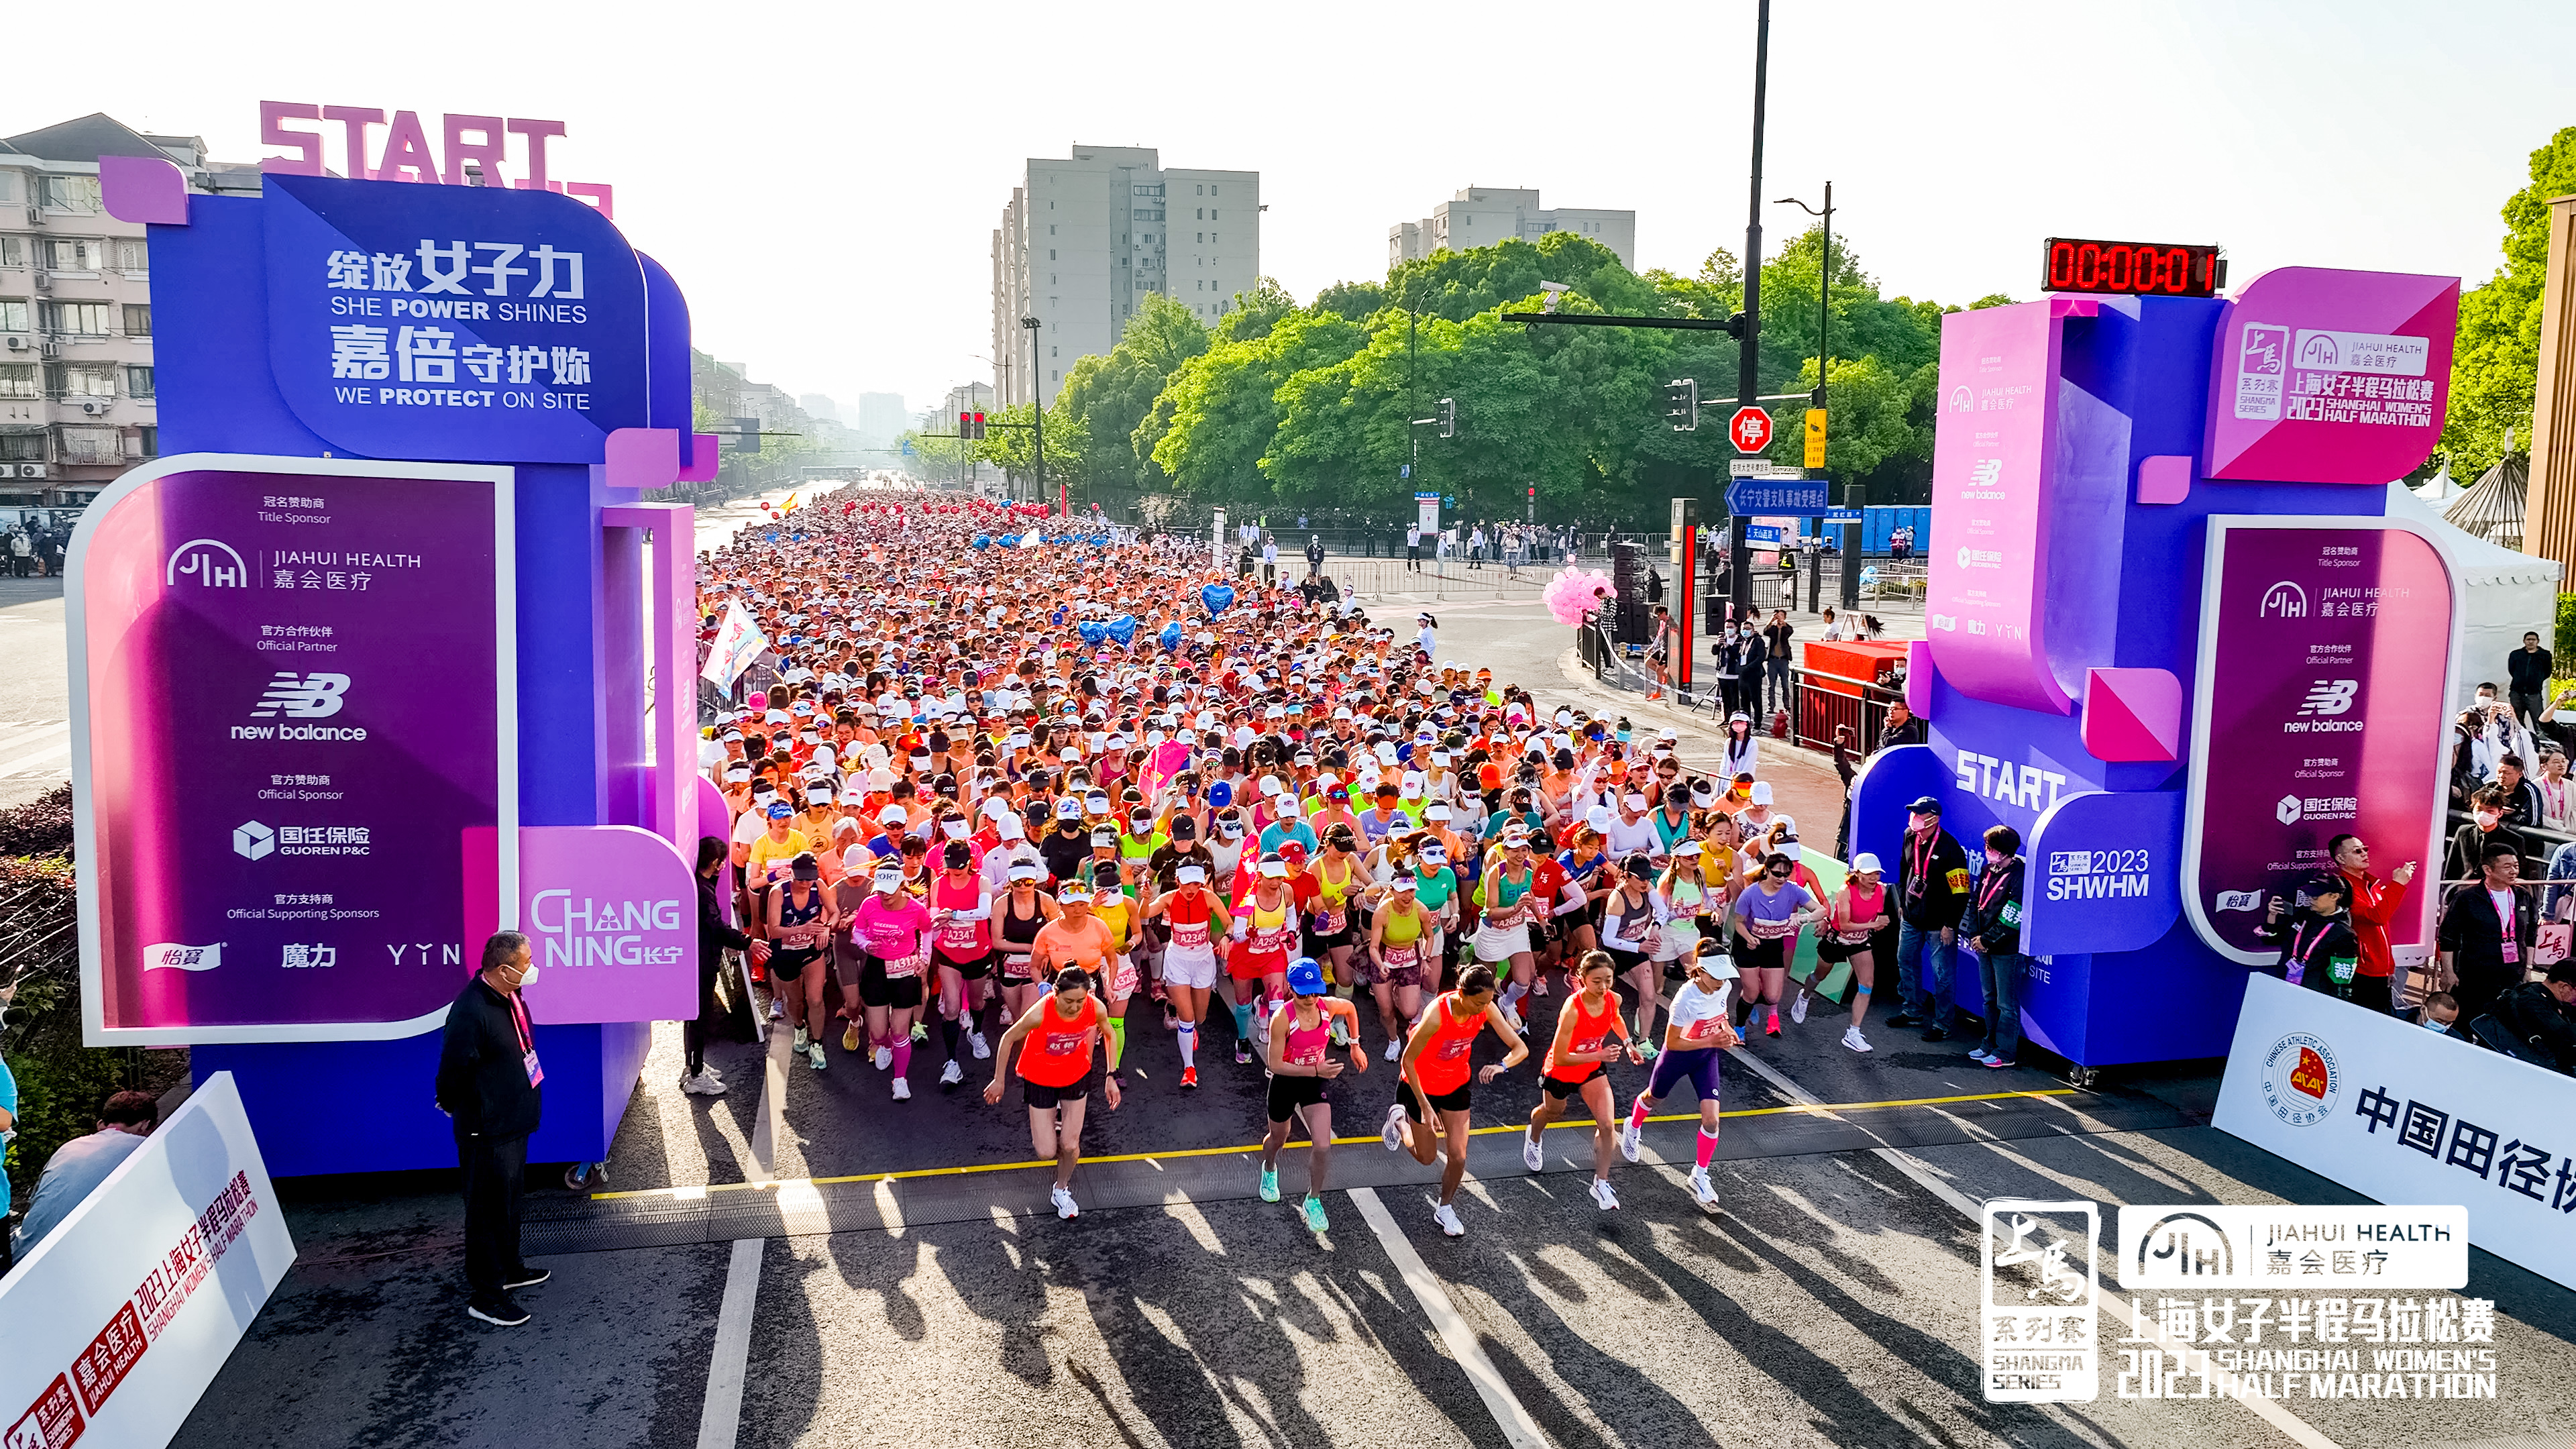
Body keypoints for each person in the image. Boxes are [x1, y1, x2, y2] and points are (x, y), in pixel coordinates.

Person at [435, 931, 549, 1327]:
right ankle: (486, 1294)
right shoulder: (471, 1010)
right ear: (504, 970)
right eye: (526, 963)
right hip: (487, 1130)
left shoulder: (508, 996)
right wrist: (451, 1103)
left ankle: (510, 1269)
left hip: (513, 1121)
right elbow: (454, 1067)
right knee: (485, 1212)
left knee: (509, 1202)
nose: (532, 969)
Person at [1381, 963, 1530, 1238]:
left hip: (1456, 1085)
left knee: (1459, 1156)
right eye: (1478, 1002)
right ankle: (1400, 1121)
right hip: (1420, 1087)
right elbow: (1408, 1060)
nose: (1482, 1009)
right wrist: (1425, 1107)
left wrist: (1502, 1065)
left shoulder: (1486, 1008)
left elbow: (1520, 1048)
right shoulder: (1438, 1016)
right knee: (1426, 1157)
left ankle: (1445, 1208)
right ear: (1461, 993)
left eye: (1487, 1002)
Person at [985, 965, 1122, 1220]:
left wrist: (1110, 1075)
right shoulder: (1041, 1013)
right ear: (1056, 993)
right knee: (1046, 1152)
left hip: (1075, 1074)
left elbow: (1110, 1033)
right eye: (1069, 1001)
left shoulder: (1095, 1008)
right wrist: (998, 1081)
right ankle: (1054, 1133)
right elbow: (1008, 1038)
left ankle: (1061, 1189)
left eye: (1080, 1001)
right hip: (1040, 1078)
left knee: (1070, 1145)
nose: (1075, 1007)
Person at [1619, 942, 1738, 1210]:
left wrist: (1726, 1028)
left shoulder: (1725, 986)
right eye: (1716, 976)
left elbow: (1721, 1014)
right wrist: (1711, 1041)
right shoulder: (1685, 999)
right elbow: (1672, 1043)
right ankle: (1633, 1126)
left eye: (1724, 975)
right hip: (1678, 1056)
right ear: (1701, 972)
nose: (1721, 981)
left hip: (1706, 1058)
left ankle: (1700, 1174)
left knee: (1711, 1122)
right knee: (1653, 1099)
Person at [1523, 952, 1641, 1210]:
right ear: (1582, 979)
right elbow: (1563, 1056)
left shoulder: (1613, 999)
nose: (1603, 987)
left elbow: (1615, 1017)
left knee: (1608, 1125)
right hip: (1563, 1070)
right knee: (1554, 1112)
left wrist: (1628, 1043)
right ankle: (1533, 1137)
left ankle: (1601, 1182)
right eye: (1597, 981)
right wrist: (1599, 1053)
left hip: (1591, 1069)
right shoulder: (1572, 1009)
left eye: (1608, 980)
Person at [1259, 957, 1365, 1231]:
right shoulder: (1282, 1018)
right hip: (1287, 1081)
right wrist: (1315, 1071)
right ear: (1291, 990)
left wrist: (1355, 1045)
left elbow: (1351, 1009)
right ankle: (1269, 1167)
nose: (1311, 998)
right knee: (1278, 1138)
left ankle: (1313, 1199)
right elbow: (1275, 1065)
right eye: (1305, 994)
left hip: (1315, 1082)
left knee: (1322, 1145)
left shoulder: (1326, 1007)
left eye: (1316, 991)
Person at [11, 1090, 157, 1257]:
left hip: (22, 1250)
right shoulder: (143, 1149)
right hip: (72, 1256)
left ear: (101, 1124)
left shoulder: (70, 1147)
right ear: (145, 1125)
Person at [689, 836, 771, 1095]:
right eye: (722, 861)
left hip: (702, 959)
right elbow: (715, 926)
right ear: (715, 862)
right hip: (703, 963)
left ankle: (695, 1066)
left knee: (695, 1018)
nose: (725, 865)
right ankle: (695, 1076)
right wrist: (748, 942)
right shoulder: (704, 892)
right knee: (700, 1017)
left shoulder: (701, 885)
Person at [1884, 796, 1969, 1041]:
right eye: (1913, 814)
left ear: (1934, 818)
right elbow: (1903, 868)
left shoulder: (1951, 849)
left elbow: (1961, 891)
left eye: (1920, 814)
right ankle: (1912, 1010)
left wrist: (1949, 925)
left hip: (1938, 925)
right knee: (1905, 962)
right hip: (1911, 917)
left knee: (1942, 976)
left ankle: (1943, 1025)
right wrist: (1902, 902)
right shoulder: (1909, 835)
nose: (1914, 818)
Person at [2436, 840, 2535, 1025]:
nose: (2514, 871)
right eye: (2507, 867)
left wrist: (2528, 968)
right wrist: (2448, 971)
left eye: (2516, 866)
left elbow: (2530, 935)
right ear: (2488, 870)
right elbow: (2448, 937)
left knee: (2501, 1027)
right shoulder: (2468, 898)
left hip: (2511, 975)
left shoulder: (2523, 896)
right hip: (2474, 977)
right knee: (2466, 1024)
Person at [1962, 825, 2028, 1068]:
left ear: (2003, 851)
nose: (1986, 851)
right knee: (1989, 999)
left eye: (1990, 847)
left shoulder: (2020, 875)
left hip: (2006, 950)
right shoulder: (1989, 868)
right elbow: (1976, 901)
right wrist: (1975, 934)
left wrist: (1987, 940)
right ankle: (1988, 1043)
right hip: (1984, 944)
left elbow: (2014, 916)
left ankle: (2006, 1052)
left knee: (2006, 1004)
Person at [2329, 833, 2415, 1016]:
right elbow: (2377, 917)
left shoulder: (2371, 883)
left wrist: (2389, 967)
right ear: (2340, 858)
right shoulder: (2343, 887)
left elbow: (2382, 930)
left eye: (2365, 849)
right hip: (2361, 972)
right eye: (2357, 851)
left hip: (2380, 972)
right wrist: (2398, 884)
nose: (2364, 854)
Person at [769, 852, 839, 1071]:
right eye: (801, 879)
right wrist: (803, 929)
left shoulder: (818, 886)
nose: (806, 883)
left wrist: (826, 929)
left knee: (815, 999)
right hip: (785, 953)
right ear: (792, 874)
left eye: (810, 878)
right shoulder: (778, 893)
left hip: (811, 951)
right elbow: (773, 931)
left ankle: (817, 1043)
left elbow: (835, 911)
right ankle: (799, 1026)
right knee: (796, 1000)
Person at [1823, 853, 1890, 1053]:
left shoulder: (1882, 890)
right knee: (1819, 976)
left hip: (1860, 942)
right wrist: (1874, 924)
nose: (1874, 878)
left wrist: (1878, 924)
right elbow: (1844, 925)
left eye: (1877, 873)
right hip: (1838, 940)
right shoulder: (1845, 892)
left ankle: (1853, 1032)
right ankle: (1805, 995)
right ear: (1856, 874)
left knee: (1867, 983)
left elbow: (1876, 915)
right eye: (1869, 874)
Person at [2484, 961, 2576, 1073]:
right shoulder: (2534, 1004)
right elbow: (2566, 1038)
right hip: (2521, 1066)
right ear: (2564, 987)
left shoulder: (2539, 993)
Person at [2509, 631, 2554, 732]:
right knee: (2516, 720)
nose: (2530, 642)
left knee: (2539, 721)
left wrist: (2536, 680)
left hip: (2534, 693)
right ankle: (2520, 741)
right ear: (2524, 641)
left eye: (2533, 640)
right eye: (2528, 640)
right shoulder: (2516, 654)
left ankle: (2541, 743)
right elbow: (2512, 670)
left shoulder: (2545, 655)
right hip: (2516, 692)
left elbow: (2547, 672)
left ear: (2538, 641)